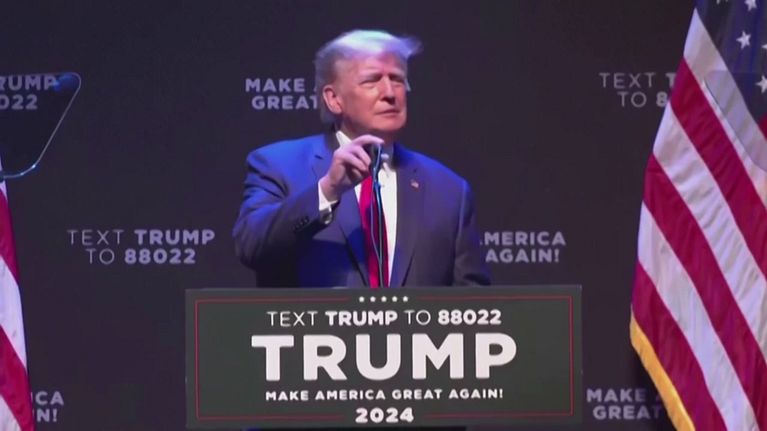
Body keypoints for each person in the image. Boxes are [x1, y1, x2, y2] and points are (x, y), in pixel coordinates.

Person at [233, 29, 489, 288]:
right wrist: (327, 190)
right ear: (334, 99)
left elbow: (473, 300)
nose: (390, 93)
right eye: (371, 80)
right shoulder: (278, 165)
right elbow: (251, 245)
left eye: (397, 79)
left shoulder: (449, 191)